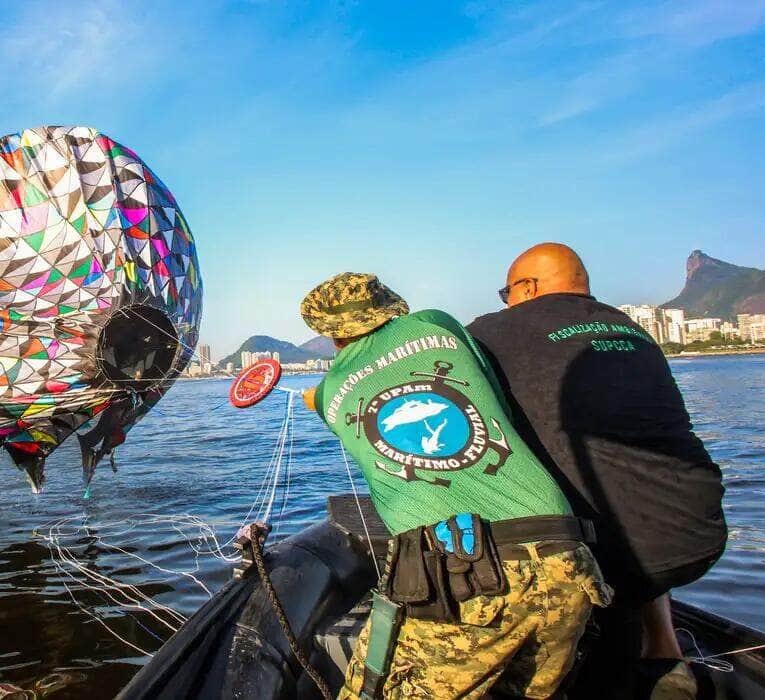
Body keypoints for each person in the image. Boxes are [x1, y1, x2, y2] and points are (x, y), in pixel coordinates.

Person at [299, 272, 610, 700]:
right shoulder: (435, 324)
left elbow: (351, 425)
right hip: (565, 556)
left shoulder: (332, 386)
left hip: (465, 575)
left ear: (330, 336)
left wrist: (316, 400)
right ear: (391, 303)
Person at [467, 243, 727, 699]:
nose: (504, 302)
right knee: (626, 499)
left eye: (506, 292)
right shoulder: (632, 328)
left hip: (608, 551)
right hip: (695, 531)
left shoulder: (497, 330)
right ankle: (666, 654)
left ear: (526, 287)